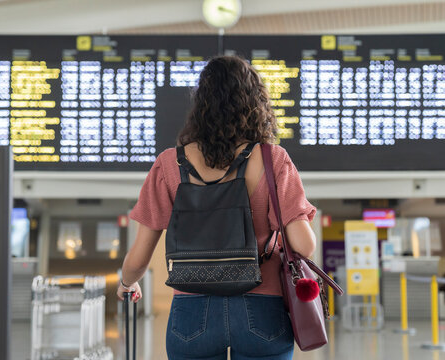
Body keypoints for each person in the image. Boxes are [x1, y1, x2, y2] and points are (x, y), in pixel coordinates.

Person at [117, 56, 317, 360]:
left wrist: (127, 283)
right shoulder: (273, 159)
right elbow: (304, 245)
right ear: (255, 101)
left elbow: (139, 258)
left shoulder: (170, 163)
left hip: (192, 311)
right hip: (262, 309)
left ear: (201, 103)